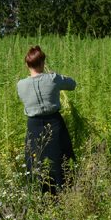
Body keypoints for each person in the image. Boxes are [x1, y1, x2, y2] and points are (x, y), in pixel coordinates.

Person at [16, 46, 77, 195]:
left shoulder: (20, 84)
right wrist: (54, 76)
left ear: (27, 64)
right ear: (43, 62)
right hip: (54, 123)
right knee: (59, 159)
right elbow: (72, 84)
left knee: (36, 161)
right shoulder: (53, 78)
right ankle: (63, 193)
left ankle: (41, 193)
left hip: (33, 126)